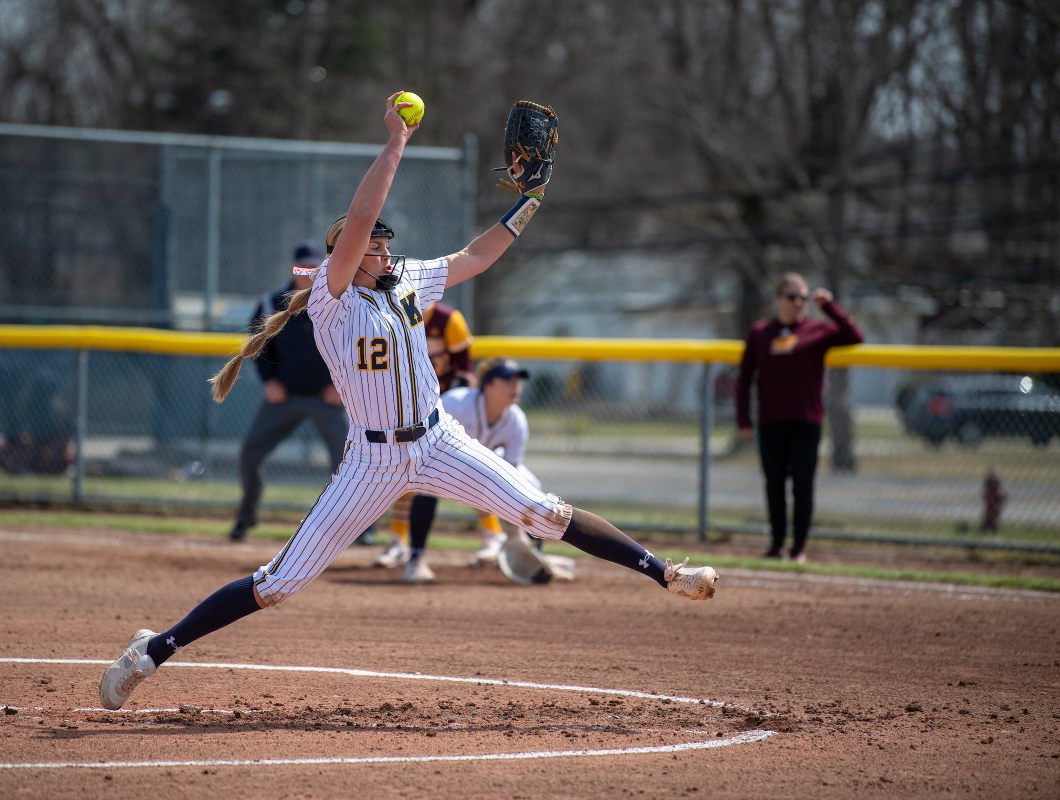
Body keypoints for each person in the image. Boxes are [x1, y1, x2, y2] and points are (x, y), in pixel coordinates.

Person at [100, 92, 718, 711]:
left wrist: (530, 201)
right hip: (369, 464)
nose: (386, 252)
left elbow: (478, 255)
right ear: (348, 254)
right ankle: (153, 650)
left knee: (543, 511)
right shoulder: (332, 300)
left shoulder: (408, 280)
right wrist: (396, 140)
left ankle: (666, 573)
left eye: (386, 245)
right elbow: (362, 215)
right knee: (279, 584)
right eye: (374, 246)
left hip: (436, 439)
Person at [227, 240, 353, 543]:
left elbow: (354, 345)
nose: (307, 272)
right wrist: (269, 381)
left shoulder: (339, 300)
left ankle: (358, 528)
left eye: (314, 266)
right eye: (302, 266)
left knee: (351, 463)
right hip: (284, 396)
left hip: (327, 398)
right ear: (292, 269)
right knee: (249, 453)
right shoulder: (272, 303)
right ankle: (246, 518)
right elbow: (257, 345)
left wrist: (341, 386)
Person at [734, 272, 864, 563]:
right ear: (778, 300)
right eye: (792, 297)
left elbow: (855, 337)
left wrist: (829, 307)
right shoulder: (760, 332)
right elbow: (744, 380)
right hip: (771, 422)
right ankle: (777, 544)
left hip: (807, 422)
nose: (799, 303)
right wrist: (744, 419)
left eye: (803, 297)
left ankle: (798, 548)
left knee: (803, 485)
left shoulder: (817, 330)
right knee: (774, 485)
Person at [401, 357, 541, 584]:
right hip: (439, 460)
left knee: (531, 484)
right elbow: (426, 440)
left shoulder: (516, 419)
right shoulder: (456, 403)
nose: (515, 387)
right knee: (428, 487)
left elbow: (512, 473)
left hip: (480, 465)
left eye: (518, 381)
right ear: (488, 385)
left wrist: (516, 531)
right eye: (508, 381)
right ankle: (415, 559)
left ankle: (532, 553)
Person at [371, 299, 477, 568]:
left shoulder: (447, 319)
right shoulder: (391, 315)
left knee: (473, 472)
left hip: (447, 408)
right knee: (402, 474)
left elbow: (465, 373)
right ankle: (398, 542)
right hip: (406, 408)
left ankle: (494, 537)